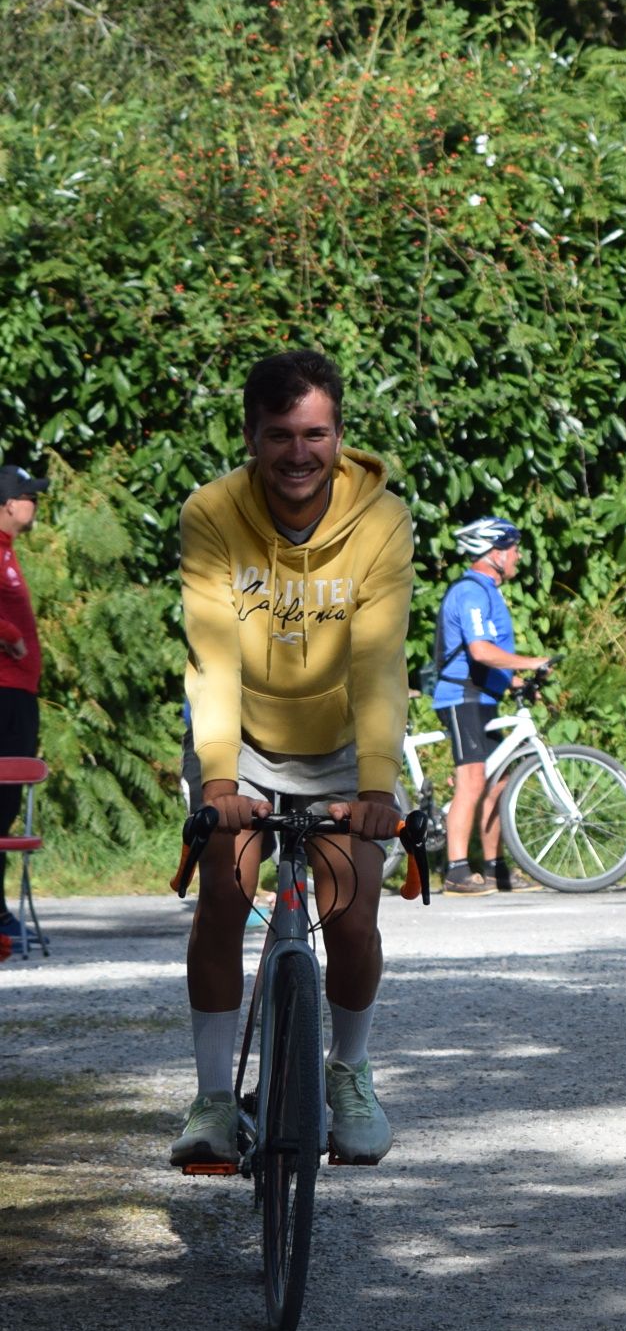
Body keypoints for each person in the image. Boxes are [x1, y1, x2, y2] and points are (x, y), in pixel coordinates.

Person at [170, 351, 413, 1169]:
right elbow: (213, 655)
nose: (298, 453)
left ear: (340, 436)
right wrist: (218, 779)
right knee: (224, 888)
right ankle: (213, 1099)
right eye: (280, 435)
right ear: (251, 437)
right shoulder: (212, 512)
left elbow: (377, 659)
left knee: (354, 910)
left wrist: (376, 786)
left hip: (342, 745)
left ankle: (349, 1072)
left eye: (315, 434)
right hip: (239, 739)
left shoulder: (382, 521)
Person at [427, 516, 550, 895]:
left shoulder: (489, 592)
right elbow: (480, 651)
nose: (518, 556)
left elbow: (485, 656)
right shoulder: (471, 592)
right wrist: (531, 662)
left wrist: (515, 681)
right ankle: (456, 871)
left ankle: (496, 869)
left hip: (483, 695)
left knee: (499, 783)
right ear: (494, 554)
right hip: (461, 697)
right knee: (472, 781)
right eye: (513, 550)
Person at [0, 463, 43, 951]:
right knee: (1, 801)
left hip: (18, 692)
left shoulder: (7, 551)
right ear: (10, 503)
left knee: (7, 804)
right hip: (4, 691)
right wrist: (10, 636)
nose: (35, 505)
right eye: (30, 497)